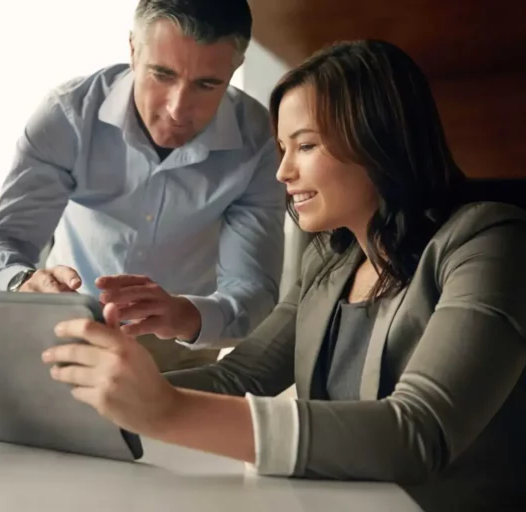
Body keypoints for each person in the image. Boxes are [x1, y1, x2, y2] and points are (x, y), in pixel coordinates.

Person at [41, 40, 526, 511]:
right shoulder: (329, 263)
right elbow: (241, 375)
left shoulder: (490, 241)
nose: (282, 172)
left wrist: (168, 410)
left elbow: (419, 432)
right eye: (281, 149)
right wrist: (66, 403)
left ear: (380, 139)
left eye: (306, 145)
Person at [0, 0, 286, 372]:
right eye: (162, 74)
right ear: (133, 51)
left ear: (235, 68)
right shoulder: (67, 117)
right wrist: (23, 283)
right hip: (63, 337)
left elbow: (254, 293)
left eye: (206, 84)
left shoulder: (260, 144)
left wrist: (184, 314)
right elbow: (2, 245)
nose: (177, 108)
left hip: (183, 354)